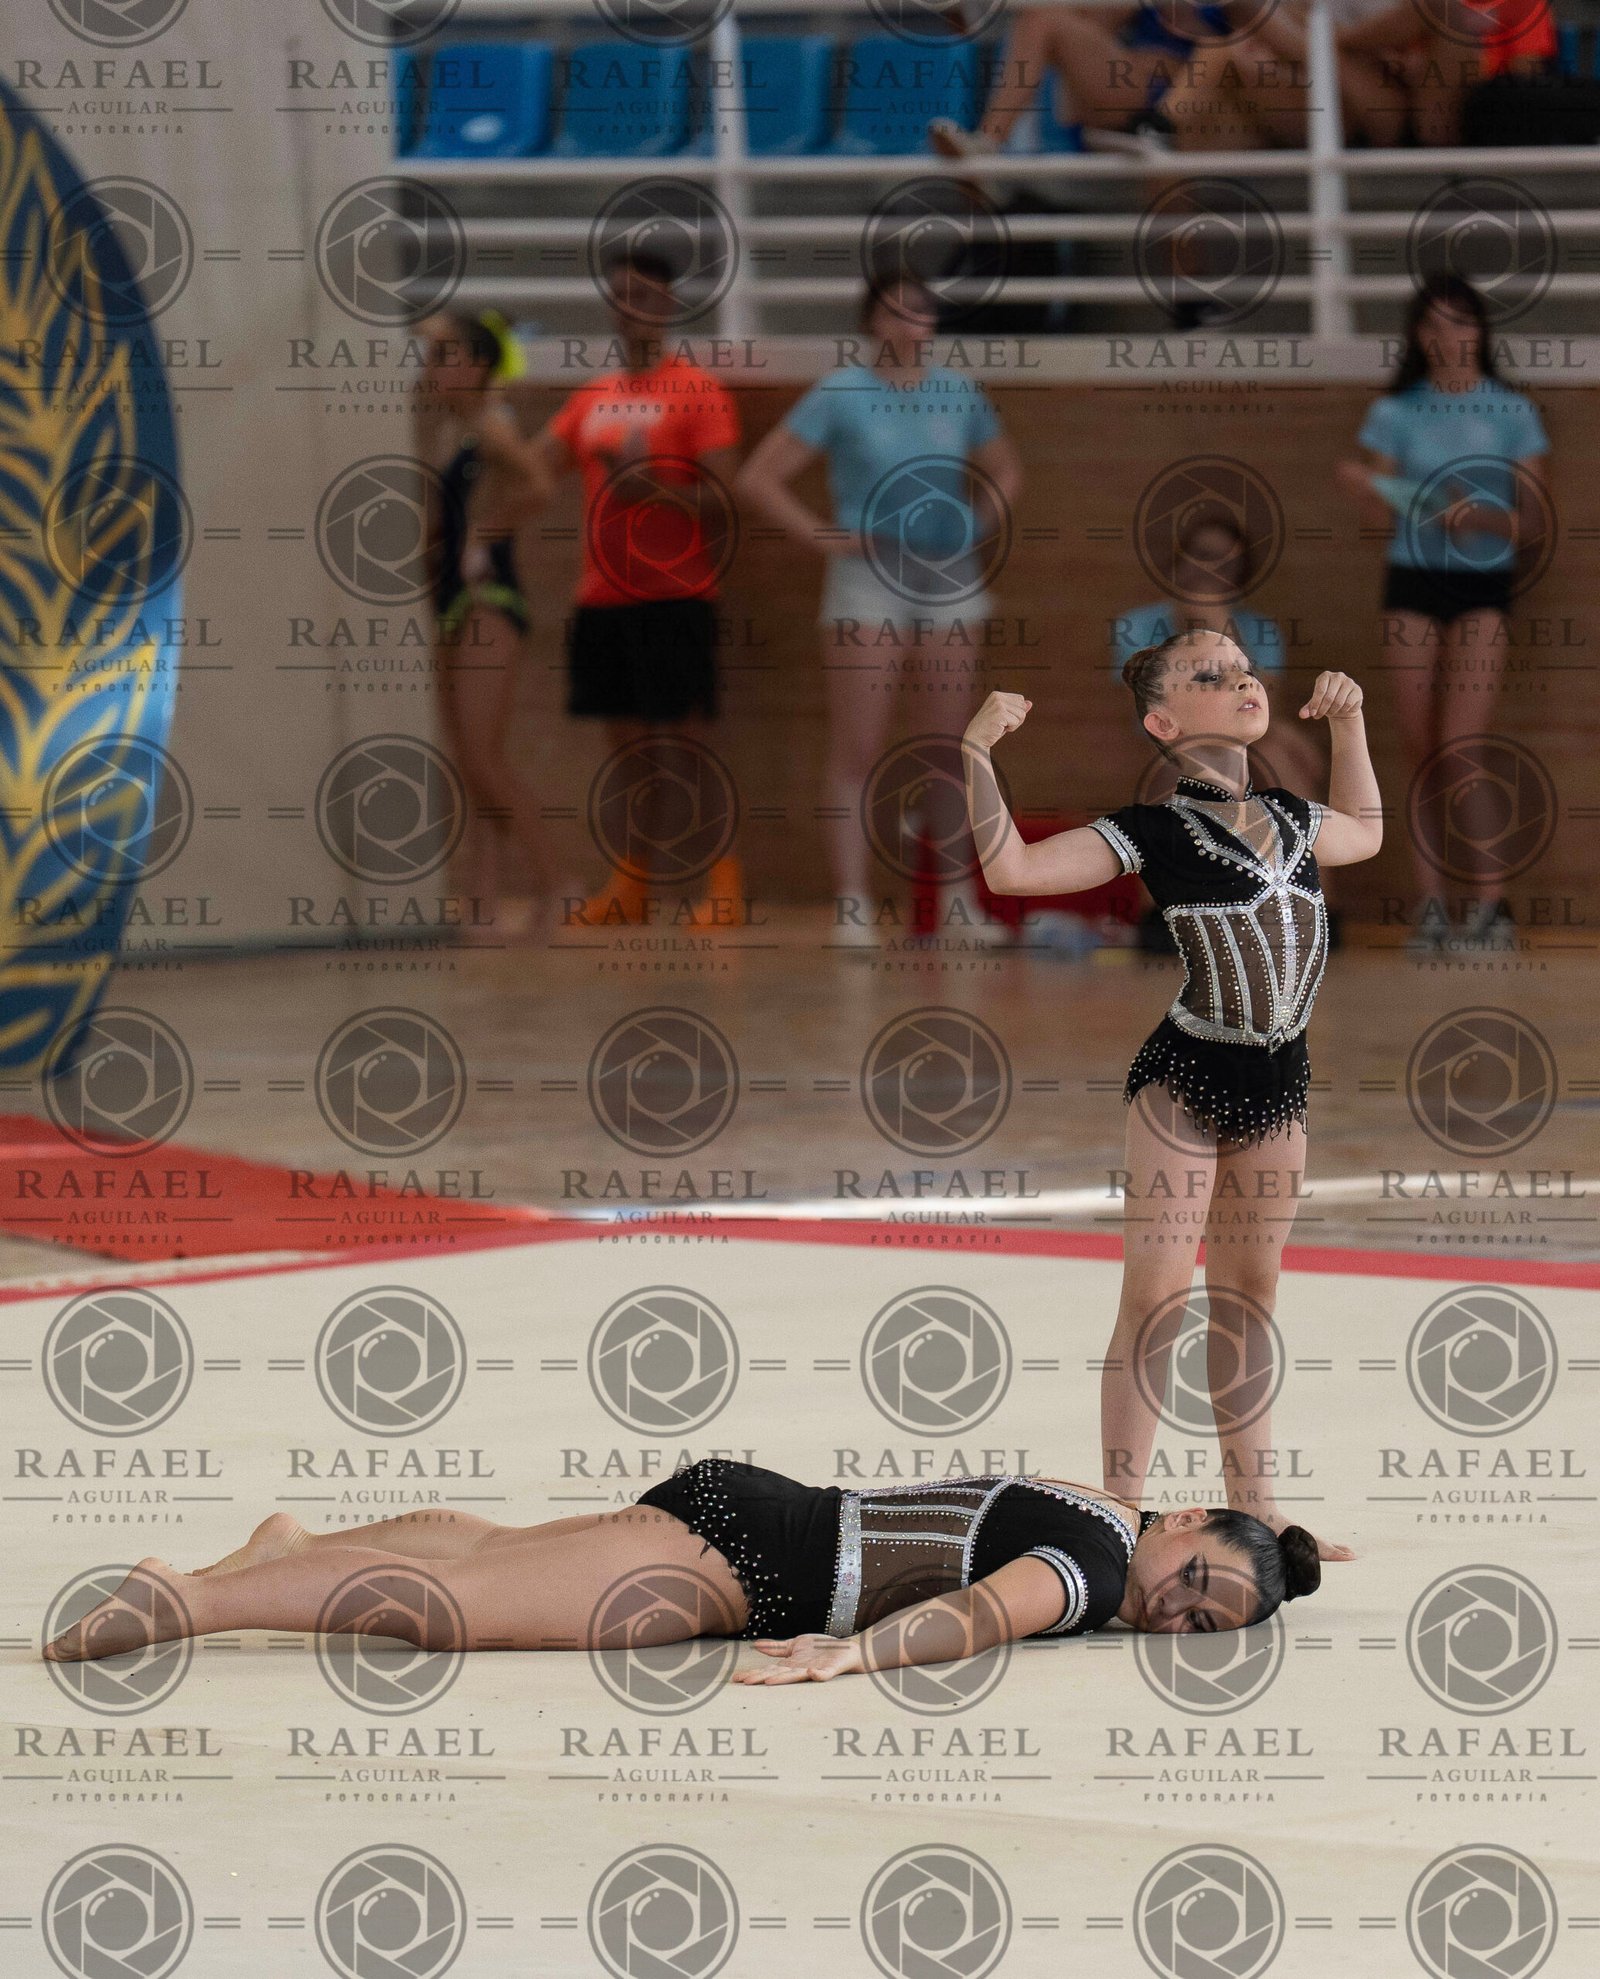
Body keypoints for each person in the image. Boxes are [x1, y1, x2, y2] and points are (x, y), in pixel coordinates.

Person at [962, 632, 1382, 1556]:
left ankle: (1258, 1504)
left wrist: (1349, 723)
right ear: (1163, 723)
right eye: (1210, 674)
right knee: (1157, 1294)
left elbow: (1368, 829)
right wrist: (975, 754)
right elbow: (1012, 871)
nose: (1241, 679)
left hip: (1279, 1080)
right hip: (1185, 1080)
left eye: (1243, 667)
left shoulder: (1294, 815)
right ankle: (1117, 1511)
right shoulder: (1151, 831)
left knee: (1250, 1293)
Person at [41, 1459, 1324, 1677]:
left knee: (492, 1554)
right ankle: (191, 1599)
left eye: (1202, 1625)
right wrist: (848, 1657)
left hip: (750, 1508)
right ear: (1184, 1517)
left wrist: (1277, 1552)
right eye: (1194, 1579)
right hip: (744, 1563)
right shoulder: (1092, 1563)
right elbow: (986, 1613)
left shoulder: (1108, 1507)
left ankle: (294, 1552)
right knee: (460, 1610)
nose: (1172, 1611)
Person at [734, 273, 1022, 927]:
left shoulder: (958, 390)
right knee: (859, 744)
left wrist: (981, 522)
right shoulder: (841, 393)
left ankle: (956, 901)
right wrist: (825, 536)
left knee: (952, 745)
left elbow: (1006, 467)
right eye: (897, 310)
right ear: (870, 321)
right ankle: (853, 903)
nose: (912, 321)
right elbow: (759, 477)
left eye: (923, 310)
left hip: (949, 576)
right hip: (869, 576)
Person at [528, 245, 743, 927]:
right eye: (621, 295)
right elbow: (533, 471)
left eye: (645, 295)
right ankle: (630, 886)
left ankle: (724, 885)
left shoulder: (698, 391)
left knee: (690, 749)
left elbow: (725, 498)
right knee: (628, 755)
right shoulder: (592, 398)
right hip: (602, 599)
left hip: (677, 596)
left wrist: (651, 490)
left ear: (669, 304)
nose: (632, 308)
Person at [1334, 274, 1549, 947]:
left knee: (1462, 747)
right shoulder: (1394, 412)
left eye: (1460, 322)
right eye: (1432, 324)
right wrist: (1370, 491)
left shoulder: (1512, 411)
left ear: (1481, 331)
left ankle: (1491, 905)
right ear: (1415, 336)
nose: (1447, 336)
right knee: (1419, 746)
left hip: (1483, 585)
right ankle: (1430, 907)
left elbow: (1534, 522)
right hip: (1413, 580)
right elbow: (1377, 519)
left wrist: (1475, 516)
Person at [421, 308, 553, 933]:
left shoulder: (493, 426)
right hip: (454, 601)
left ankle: (559, 881)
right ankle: (483, 897)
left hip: (488, 599)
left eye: (443, 357)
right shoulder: (457, 430)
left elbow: (539, 486)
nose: (430, 369)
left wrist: (483, 534)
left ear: (476, 367)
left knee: (484, 758)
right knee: (470, 761)